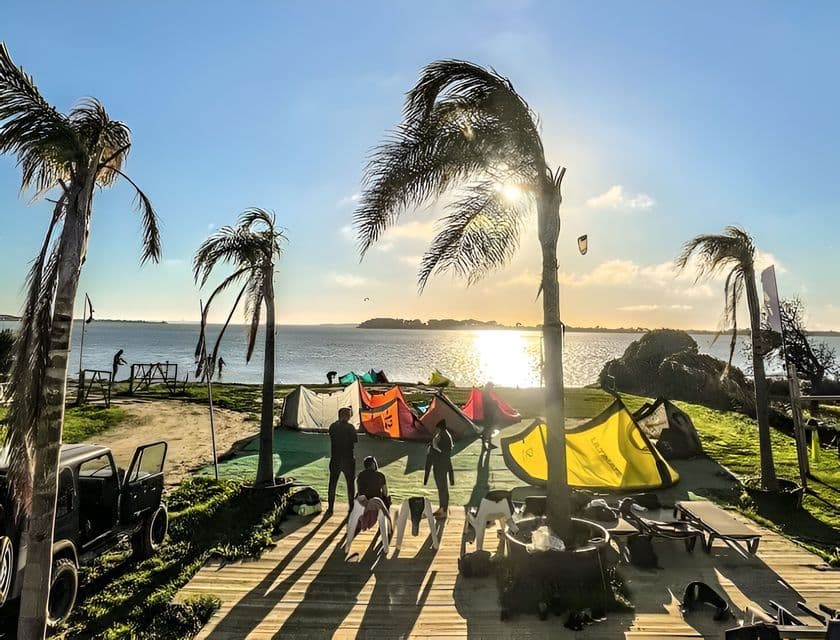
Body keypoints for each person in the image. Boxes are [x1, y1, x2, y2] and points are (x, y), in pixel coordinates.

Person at [326, 407, 357, 516]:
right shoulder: (350, 427)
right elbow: (355, 439)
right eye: (349, 415)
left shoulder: (333, 426)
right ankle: (351, 507)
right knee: (350, 484)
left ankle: (330, 507)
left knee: (332, 483)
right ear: (346, 416)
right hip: (348, 459)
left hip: (335, 458)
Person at [424, 420, 454, 518]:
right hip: (441, 466)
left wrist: (432, 449)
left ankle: (444, 510)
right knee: (442, 488)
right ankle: (442, 507)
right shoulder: (444, 436)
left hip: (441, 466)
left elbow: (443, 453)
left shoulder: (444, 437)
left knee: (443, 488)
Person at [481, 382, 498, 452]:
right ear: (489, 386)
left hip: (490, 413)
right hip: (488, 413)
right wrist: (494, 402)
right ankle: (484, 445)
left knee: (491, 428)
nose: (492, 388)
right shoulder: (485, 393)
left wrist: (494, 402)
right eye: (491, 387)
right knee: (487, 428)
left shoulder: (488, 393)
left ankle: (490, 443)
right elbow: (487, 402)